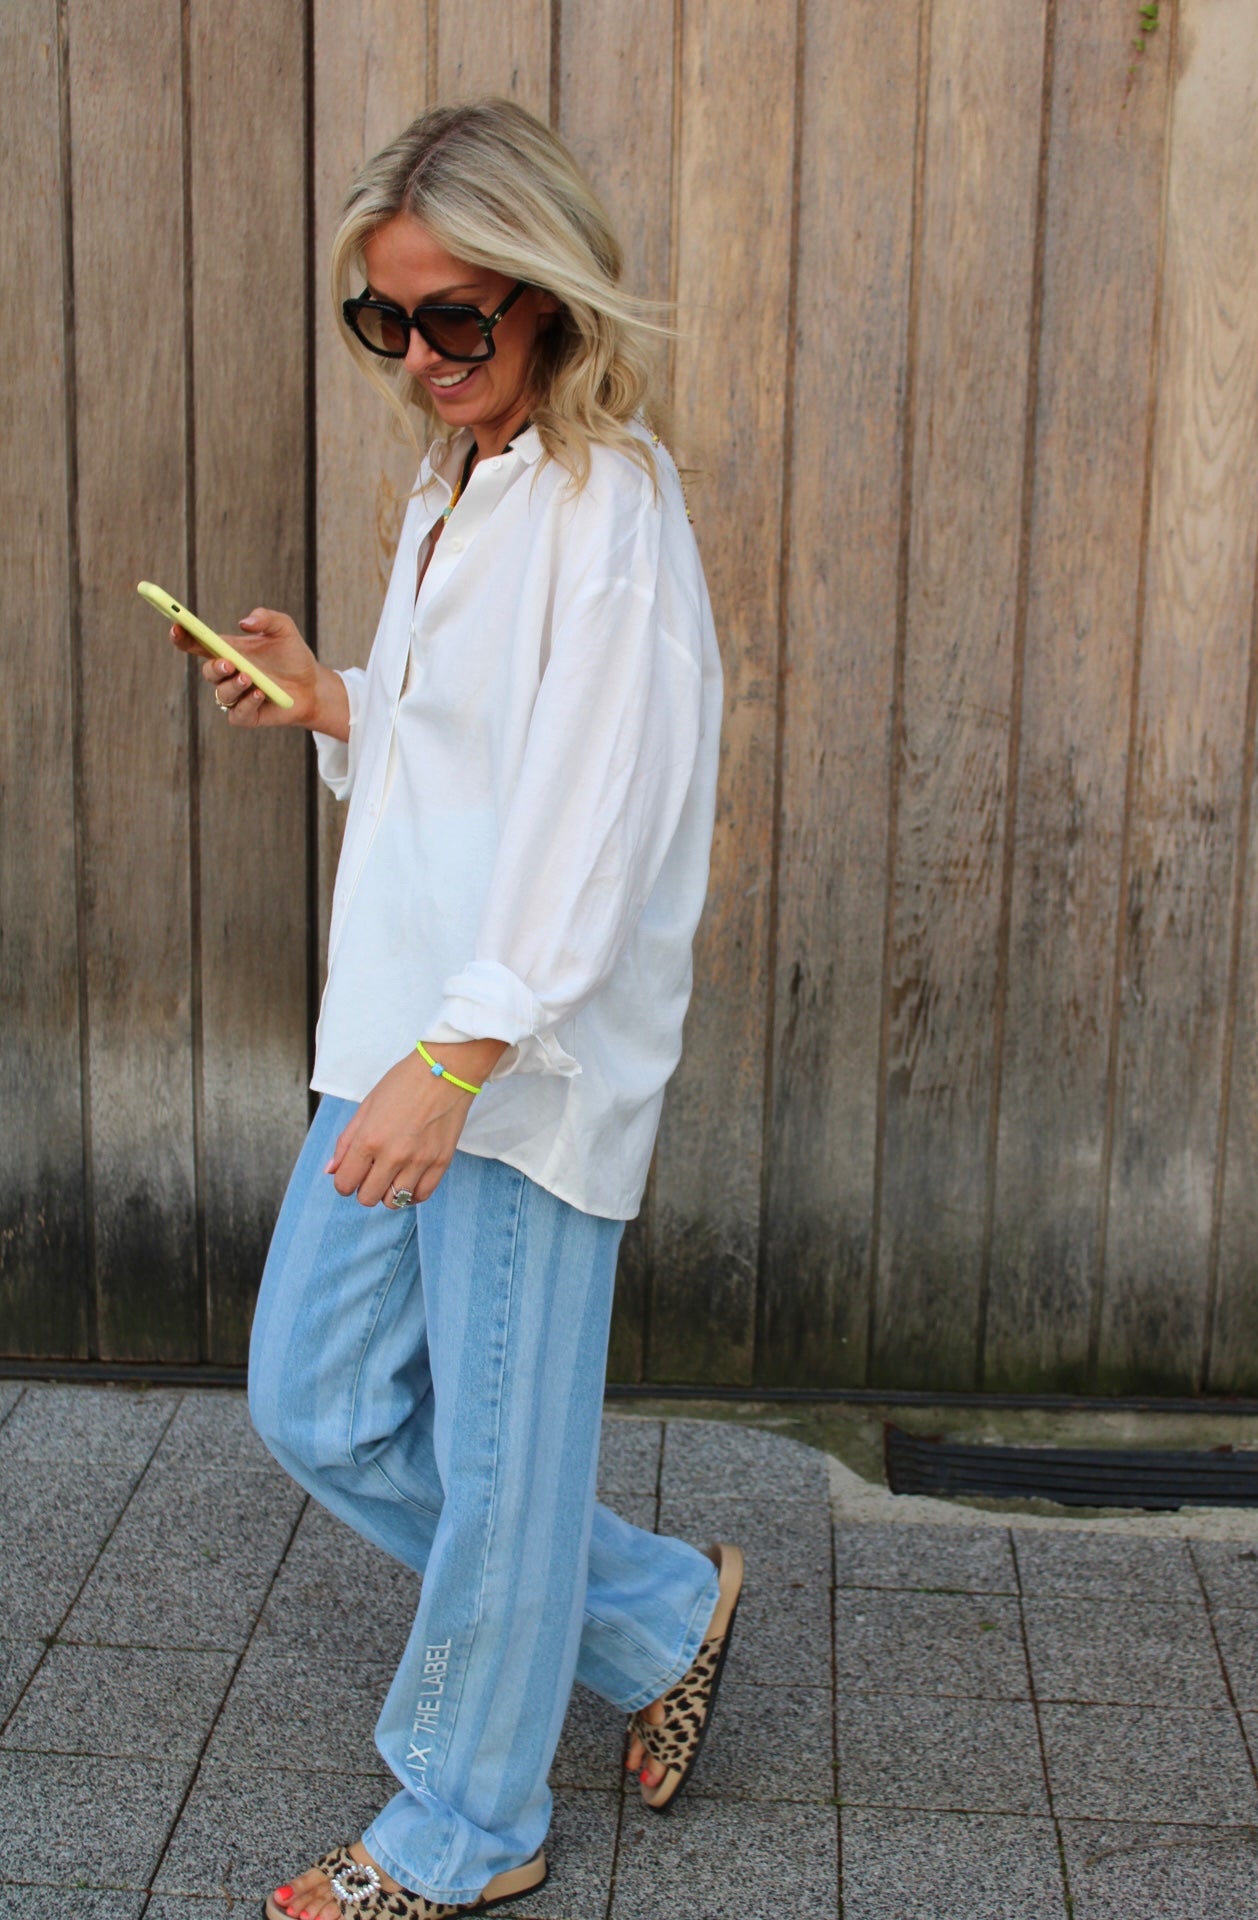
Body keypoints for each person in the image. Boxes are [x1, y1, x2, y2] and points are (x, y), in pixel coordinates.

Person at [169, 99, 742, 1920]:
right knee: (317, 1398)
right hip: (399, 1032)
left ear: (555, 301)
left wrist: (466, 1053)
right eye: (387, 321)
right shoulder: (458, 485)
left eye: (456, 321)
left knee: (501, 1462)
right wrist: (338, 705)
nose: (420, 359)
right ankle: (655, 1609)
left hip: (513, 1057)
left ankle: (471, 1825)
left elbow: (598, 825)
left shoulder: (610, 512)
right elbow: (470, 765)